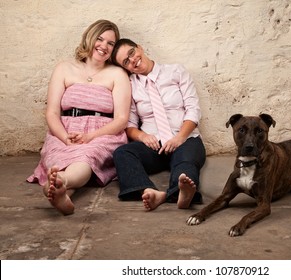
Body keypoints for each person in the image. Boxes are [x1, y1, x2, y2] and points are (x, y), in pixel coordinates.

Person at [27, 20, 132, 215]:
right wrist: (64, 137)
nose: (104, 46)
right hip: (64, 129)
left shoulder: (117, 74)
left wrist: (91, 136)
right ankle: (61, 192)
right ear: (89, 38)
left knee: (86, 158)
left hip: (103, 133)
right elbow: (52, 112)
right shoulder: (64, 68)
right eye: (100, 39)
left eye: (110, 43)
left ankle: (61, 181)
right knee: (58, 158)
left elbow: (121, 119)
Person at [111, 38, 206, 211]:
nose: (132, 60)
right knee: (122, 153)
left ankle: (181, 193)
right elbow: (130, 124)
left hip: (185, 138)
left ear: (139, 47)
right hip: (154, 145)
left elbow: (193, 110)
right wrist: (142, 136)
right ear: (125, 68)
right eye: (126, 61)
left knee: (185, 162)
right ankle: (150, 192)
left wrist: (180, 138)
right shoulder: (131, 85)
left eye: (132, 53)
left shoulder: (176, 71)